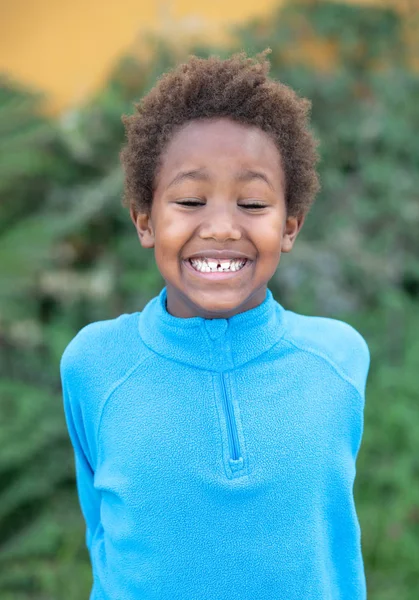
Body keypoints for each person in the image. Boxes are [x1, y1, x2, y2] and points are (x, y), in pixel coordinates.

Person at [60, 50, 370, 600]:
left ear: (290, 225)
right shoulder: (95, 365)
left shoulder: (340, 361)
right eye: (189, 199)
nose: (222, 227)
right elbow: (101, 532)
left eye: (252, 202)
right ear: (144, 220)